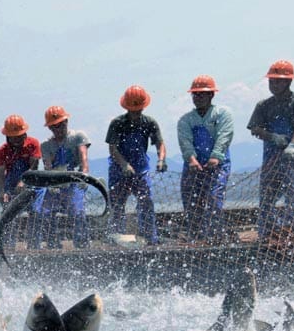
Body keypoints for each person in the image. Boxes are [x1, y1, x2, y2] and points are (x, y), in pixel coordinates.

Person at [247, 59, 294, 239]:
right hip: (271, 154)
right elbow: (255, 128)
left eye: (278, 81)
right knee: (267, 194)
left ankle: (291, 231)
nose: (274, 84)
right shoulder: (264, 105)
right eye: (271, 81)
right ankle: (266, 233)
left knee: (293, 193)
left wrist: (292, 145)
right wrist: (273, 137)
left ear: (289, 81)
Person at [105, 85, 167, 245]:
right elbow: (112, 148)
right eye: (132, 110)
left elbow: (160, 143)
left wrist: (161, 160)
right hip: (118, 170)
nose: (135, 113)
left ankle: (150, 238)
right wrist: (124, 165)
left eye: (138, 109)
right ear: (126, 107)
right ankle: (115, 239)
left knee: (146, 202)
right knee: (117, 205)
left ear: (143, 106)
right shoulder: (117, 123)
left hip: (141, 169)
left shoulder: (149, 123)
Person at [177, 76, 234, 244]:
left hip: (218, 165)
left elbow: (225, 136)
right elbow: (185, 141)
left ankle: (214, 236)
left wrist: (215, 157)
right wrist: (191, 159)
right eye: (195, 94)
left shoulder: (222, 114)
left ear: (211, 95)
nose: (198, 97)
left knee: (214, 199)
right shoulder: (185, 120)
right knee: (191, 201)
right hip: (193, 166)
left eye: (202, 94)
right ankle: (196, 236)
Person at [38, 106, 91, 248]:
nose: (58, 129)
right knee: (45, 212)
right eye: (53, 127)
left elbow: (84, 159)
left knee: (77, 211)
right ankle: (52, 244)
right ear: (49, 128)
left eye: (60, 125)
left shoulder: (78, 136)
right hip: (56, 182)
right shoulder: (45, 145)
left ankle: (82, 244)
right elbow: (47, 166)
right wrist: (52, 184)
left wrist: (84, 176)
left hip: (75, 180)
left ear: (66, 122)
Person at [0, 114, 42, 247]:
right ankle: (9, 246)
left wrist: (24, 182)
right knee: (9, 214)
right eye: (12, 137)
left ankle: (35, 246)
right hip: (11, 185)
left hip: (33, 183)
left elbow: (34, 166)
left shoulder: (33, 144)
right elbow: (0, 174)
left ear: (24, 133)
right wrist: (1, 191)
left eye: (18, 136)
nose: (16, 140)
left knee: (36, 213)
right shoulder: (1, 152)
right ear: (7, 136)